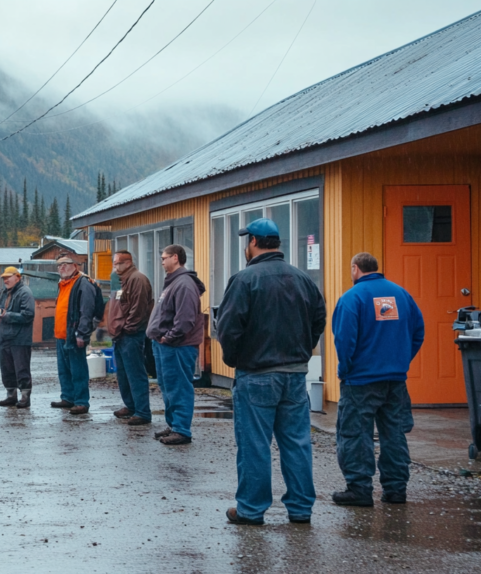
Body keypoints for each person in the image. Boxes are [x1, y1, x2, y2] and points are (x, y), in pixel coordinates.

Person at [217, 218, 326, 526]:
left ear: (253, 242)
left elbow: (228, 327)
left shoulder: (244, 279)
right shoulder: (302, 278)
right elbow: (319, 318)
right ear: (276, 243)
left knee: (254, 444)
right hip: (294, 374)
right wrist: (303, 349)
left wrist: (235, 358)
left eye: (246, 241)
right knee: (297, 442)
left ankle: (251, 509)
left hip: (257, 373)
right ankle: (301, 509)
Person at [331, 252, 424, 507]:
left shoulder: (352, 298)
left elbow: (344, 340)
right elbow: (418, 331)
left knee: (355, 435)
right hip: (395, 380)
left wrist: (346, 368)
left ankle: (359, 490)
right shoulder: (401, 295)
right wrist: (401, 361)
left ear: (355, 269)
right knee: (394, 434)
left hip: (360, 381)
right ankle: (396, 490)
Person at [146, 245, 205, 444]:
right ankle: (173, 425)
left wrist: (168, 337)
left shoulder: (184, 284)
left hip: (178, 346)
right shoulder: (173, 282)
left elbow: (185, 320)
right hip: (165, 345)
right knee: (168, 386)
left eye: (164, 258)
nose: (162, 261)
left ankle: (182, 430)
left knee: (179, 386)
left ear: (176, 258)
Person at [109, 250, 155, 425]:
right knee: (123, 373)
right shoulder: (120, 281)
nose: (115, 266)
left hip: (131, 335)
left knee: (135, 373)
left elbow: (139, 309)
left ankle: (142, 411)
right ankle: (131, 406)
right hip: (120, 335)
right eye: (114, 263)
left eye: (118, 263)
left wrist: (128, 328)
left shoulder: (137, 279)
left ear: (128, 263)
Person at [50, 255, 97, 415]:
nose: (62, 268)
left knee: (78, 369)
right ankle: (68, 398)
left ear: (75, 266)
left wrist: (82, 334)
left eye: (66, 264)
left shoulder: (83, 284)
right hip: (61, 335)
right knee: (64, 369)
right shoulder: (63, 284)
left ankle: (81, 401)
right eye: (59, 265)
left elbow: (87, 311)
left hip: (74, 334)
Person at [0, 266, 35, 408]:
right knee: (7, 370)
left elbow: (28, 315)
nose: (5, 280)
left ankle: (25, 397)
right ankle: (11, 396)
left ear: (18, 277)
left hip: (20, 339)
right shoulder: (4, 293)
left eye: (8, 277)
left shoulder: (25, 293)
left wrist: (6, 314)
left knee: (21, 369)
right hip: (5, 337)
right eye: (4, 278)